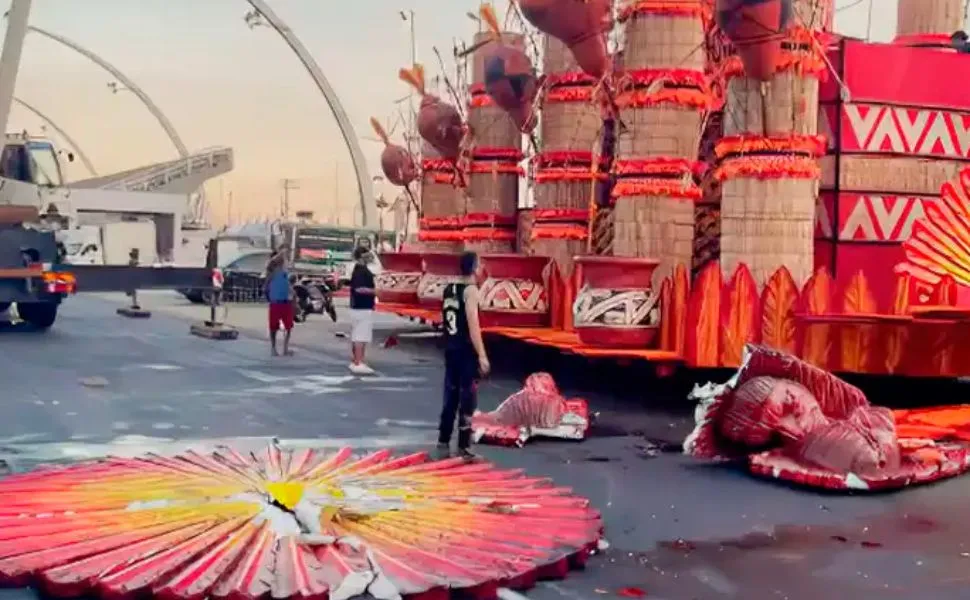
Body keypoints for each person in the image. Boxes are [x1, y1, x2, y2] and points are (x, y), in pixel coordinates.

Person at [437, 251, 490, 460]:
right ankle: (464, 446)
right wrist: (482, 355)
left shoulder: (449, 289)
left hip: (450, 346)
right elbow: (473, 324)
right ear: (475, 268)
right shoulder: (471, 291)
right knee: (467, 396)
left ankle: (443, 437)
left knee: (450, 395)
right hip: (465, 349)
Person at [348, 245, 377, 375]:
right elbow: (359, 289)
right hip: (362, 307)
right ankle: (358, 362)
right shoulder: (361, 271)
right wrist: (375, 291)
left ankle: (357, 360)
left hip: (358, 307)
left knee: (358, 335)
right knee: (361, 336)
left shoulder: (359, 269)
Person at [265, 249, 295, 357]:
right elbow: (266, 286)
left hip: (285, 301)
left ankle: (285, 348)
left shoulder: (285, 272)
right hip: (276, 302)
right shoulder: (271, 272)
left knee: (288, 326)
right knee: (274, 327)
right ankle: (274, 348)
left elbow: (289, 284)